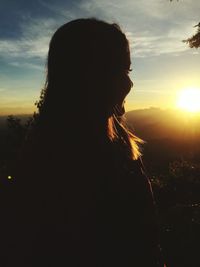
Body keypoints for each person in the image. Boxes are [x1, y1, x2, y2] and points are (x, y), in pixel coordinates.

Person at [1, 18, 164, 266]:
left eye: (128, 71)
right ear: (84, 75)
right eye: (116, 70)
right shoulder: (61, 170)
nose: (129, 83)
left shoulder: (117, 147)